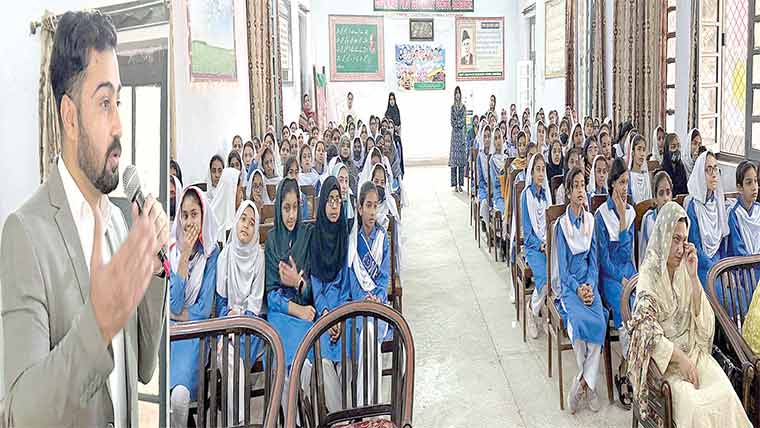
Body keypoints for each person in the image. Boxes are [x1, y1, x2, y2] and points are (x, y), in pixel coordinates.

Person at [0, 11, 169, 426]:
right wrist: (97, 326)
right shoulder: (25, 235)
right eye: (105, 104)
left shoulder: (119, 223)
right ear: (70, 116)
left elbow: (143, 367)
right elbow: (20, 413)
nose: (120, 126)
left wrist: (155, 269)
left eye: (119, 102)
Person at [626, 202, 751, 428]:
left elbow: (705, 325)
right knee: (698, 410)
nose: (680, 248)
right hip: (667, 367)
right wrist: (678, 357)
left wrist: (694, 277)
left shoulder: (684, 268)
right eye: (675, 239)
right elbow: (645, 330)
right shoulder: (649, 276)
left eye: (683, 240)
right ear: (664, 236)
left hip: (695, 354)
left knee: (727, 397)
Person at [550, 167, 607, 414]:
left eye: (583, 184)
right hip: (570, 288)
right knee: (580, 324)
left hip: (588, 285)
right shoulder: (562, 226)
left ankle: (582, 384)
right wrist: (578, 289)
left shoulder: (590, 222)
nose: (580, 190)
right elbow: (563, 272)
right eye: (575, 186)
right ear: (569, 192)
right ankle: (589, 384)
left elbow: (594, 263)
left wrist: (590, 286)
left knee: (600, 322)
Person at [170, 187, 221, 428]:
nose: (189, 222)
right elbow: (174, 302)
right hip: (170, 336)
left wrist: (176, 314)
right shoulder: (172, 251)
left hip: (194, 337)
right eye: (184, 215)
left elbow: (202, 310)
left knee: (179, 397)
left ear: (203, 216)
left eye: (194, 214)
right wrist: (183, 257)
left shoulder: (211, 253)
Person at [213, 200, 265, 424]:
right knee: (229, 359)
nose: (246, 226)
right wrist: (230, 321)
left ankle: (235, 422)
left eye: (252, 223)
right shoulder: (225, 256)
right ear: (235, 221)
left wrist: (240, 320)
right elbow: (220, 302)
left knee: (235, 362)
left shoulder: (259, 257)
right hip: (226, 324)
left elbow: (255, 304)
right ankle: (240, 421)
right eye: (243, 219)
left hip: (251, 328)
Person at [594, 157, 636, 407]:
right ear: (611, 184)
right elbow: (604, 260)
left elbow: (627, 253)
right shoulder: (600, 215)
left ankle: (631, 365)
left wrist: (622, 218)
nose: (625, 188)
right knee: (623, 303)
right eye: (621, 182)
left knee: (642, 302)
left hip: (628, 271)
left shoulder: (629, 212)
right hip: (610, 277)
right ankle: (626, 373)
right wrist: (620, 278)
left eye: (627, 183)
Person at [309, 176, 352, 412]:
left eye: (338, 200)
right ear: (323, 202)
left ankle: (349, 415)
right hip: (323, 313)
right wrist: (326, 313)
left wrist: (339, 316)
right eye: (330, 200)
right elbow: (316, 285)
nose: (334, 206)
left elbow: (347, 285)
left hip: (343, 312)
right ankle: (341, 420)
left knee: (347, 358)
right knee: (325, 361)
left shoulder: (345, 236)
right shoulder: (315, 237)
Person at [348, 181, 391, 406]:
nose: (372, 212)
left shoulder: (383, 238)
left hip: (378, 303)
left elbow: (384, 278)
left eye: (376, 206)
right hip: (358, 304)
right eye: (368, 206)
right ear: (359, 207)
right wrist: (363, 299)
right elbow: (351, 277)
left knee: (372, 331)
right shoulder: (352, 239)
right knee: (366, 333)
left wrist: (378, 298)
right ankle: (367, 404)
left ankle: (370, 403)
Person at [685, 151, 729, 293]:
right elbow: (696, 249)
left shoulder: (718, 203)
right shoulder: (693, 207)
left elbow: (722, 245)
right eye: (708, 170)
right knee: (723, 296)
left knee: (738, 292)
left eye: (715, 169)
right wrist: (716, 269)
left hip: (719, 264)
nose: (714, 174)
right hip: (701, 267)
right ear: (700, 174)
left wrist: (724, 269)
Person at [523, 153, 553, 339]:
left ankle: (542, 309)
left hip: (547, 243)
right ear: (532, 172)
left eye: (543, 170)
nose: (541, 174)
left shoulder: (546, 195)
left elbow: (550, 223)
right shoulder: (526, 196)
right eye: (538, 170)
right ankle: (531, 310)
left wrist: (549, 242)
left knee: (557, 274)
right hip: (533, 247)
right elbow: (527, 233)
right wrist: (540, 245)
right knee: (544, 277)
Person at [727, 160, 760, 259]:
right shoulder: (734, 214)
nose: (754, 187)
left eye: (755, 181)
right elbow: (738, 251)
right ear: (740, 187)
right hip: (743, 265)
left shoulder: (758, 209)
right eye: (749, 183)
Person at [640, 171, 673, 264]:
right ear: (655, 198)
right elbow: (643, 254)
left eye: (668, 192)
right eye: (661, 193)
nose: (666, 198)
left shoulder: (678, 218)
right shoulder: (649, 220)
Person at [210, 168, 241, 243]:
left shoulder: (239, 214)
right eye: (240, 191)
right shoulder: (212, 219)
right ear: (232, 192)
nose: (241, 195)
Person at [450, 86, 467, 192]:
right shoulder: (452, 107)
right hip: (454, 136)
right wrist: (456, 123)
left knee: (461, 162)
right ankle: (454, 185)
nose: (457, 95)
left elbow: (463, 120)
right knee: (454, 162)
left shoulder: (463, 107)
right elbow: (452, 121)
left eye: (459, 93)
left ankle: (460, 184)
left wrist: (458, 123)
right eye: (456, 93)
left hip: (461, 135)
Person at [627, 133, 652, 204]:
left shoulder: (646, 176)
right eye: (639, 149)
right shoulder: (628, 176)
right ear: (633, 153)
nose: (642, 154)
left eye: (644, 150)